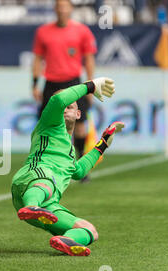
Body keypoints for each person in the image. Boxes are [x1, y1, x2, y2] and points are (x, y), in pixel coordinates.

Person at [11, 78, 124, 256]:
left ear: (79, 114)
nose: (64, 109)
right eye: (63, 106)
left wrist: (102, 145)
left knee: (90, 230)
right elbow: (57, 100)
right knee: (48, 181)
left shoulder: (70, 152)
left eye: (69, 107)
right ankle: (31, 206)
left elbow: (78, 171)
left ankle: (66, 240)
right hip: (31, 181)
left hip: (47, 206)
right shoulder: (50, 124)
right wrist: (90, 86)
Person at [31, 0, 96, 181]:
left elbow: (89, 59)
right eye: (59, 6)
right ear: (55, 9)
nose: (62, 10)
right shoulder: (43, 32)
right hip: (51, 83)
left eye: (65, 6)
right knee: (45, 124)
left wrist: (90, 86)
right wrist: (35, 83)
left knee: (80, 124)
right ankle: (43, 163)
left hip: (73, 82)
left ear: (71, 9)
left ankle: (80, 163)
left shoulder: (81, 31)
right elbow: (37, 59)